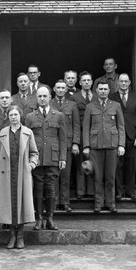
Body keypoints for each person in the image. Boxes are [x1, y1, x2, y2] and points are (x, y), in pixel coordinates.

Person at [0, 106, 39, 249]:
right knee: (9, 205)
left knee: (21, 204)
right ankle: (11, 236)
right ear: (8, 117)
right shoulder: (3, 133)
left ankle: (20, 236)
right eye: (11, 115)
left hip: (21, 173)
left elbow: (35, 153)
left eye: (16, 114)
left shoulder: (27, 132)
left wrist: (31, 165)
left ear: (20, 116)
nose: (13, 117)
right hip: (6, 173)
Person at [25, 87, 66, 230]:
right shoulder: (30, 117)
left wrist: (62, 158)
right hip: (36, 158)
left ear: (50, 97)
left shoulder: (59, 115)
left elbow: (63, 138)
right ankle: (39, 219)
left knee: (50, 188)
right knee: (38, 188)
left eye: (45, 96)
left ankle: (50, 218)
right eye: (40, 96)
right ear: (37, 98)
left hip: (53, 157)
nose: (42, 98)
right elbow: (26, 140)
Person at [83, 81, 125, 213]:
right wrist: (86, 145)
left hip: (112, 145)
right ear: (96, 91)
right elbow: (86, 127)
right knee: (98, 177)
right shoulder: (90, 107)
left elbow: (121, 127)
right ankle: (98, 204)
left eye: (105, 89)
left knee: (110, 176)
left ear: (108, 91)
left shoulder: (116, 105)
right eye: (100, 89)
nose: (103, 91)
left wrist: (121, 145)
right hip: (95, 146)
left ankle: (111, 203)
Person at [109, 73, 136, 200]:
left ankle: (130, 191)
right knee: (117, 165)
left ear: (129, 83)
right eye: (121, 81)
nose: (123, 83)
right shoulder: (112, 97)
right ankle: (118, 192)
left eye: (125, 81)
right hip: (116, 134)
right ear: (118, 83)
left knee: (131, 165)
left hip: (132, 135)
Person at [50, 80, 80, 212]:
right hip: (53, 144)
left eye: (63, 88)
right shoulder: (49, 103)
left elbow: (76, 125)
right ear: (54, 89)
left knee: (66, 175)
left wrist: (75, 143)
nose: (61, 90)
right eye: (58, 88)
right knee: (54, 175)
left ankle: (65, 201)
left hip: (67, 144)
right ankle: (54, 202)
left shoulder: (72, 105)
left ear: (66, 89)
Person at [71, 71, 96, 199]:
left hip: (95, 133)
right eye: (84, 81)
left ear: (92, 82)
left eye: (88, 80)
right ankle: (80, 191)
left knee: (93, 160)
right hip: (80, 132)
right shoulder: (75, 98)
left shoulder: (97, 96)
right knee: (81, 161)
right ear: (80, 83)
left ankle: (91, 191)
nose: (86, 83)